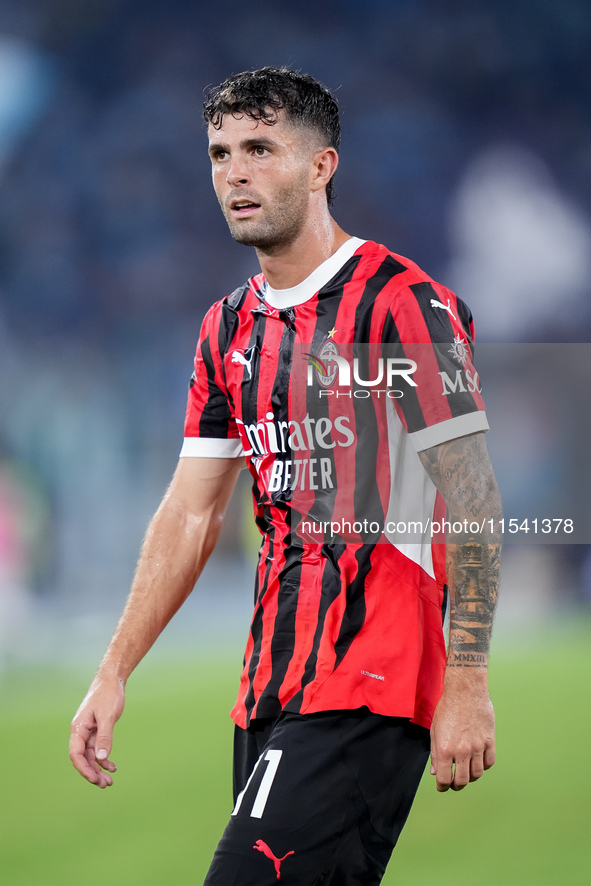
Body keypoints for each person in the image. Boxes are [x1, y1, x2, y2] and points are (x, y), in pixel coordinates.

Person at [70, 67, 502, 885]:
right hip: (270, 685)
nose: (233, 172)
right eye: (219, 152)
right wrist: (113, 670)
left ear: (320, 165)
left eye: (260, 149)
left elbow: (471, 496)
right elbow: (190, 516)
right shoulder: (225, 328)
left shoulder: (401, 303)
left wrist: (468, 679)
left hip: (371, 677)